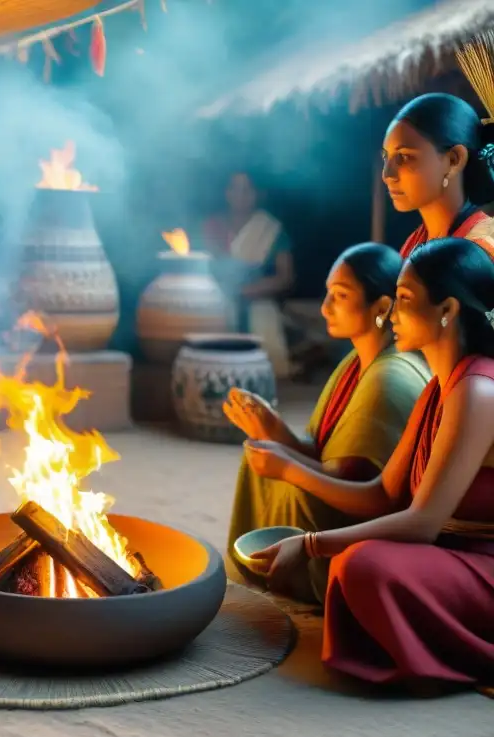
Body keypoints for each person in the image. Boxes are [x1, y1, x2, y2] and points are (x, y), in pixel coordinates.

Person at [247, 236, 494, 689]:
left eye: (403, 300)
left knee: (362, 565)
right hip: (450, 554)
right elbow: (383, 493)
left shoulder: (478, 389)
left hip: (483, 566)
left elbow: (422, 523)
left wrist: (311, 544)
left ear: (448, 310)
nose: (392, 315)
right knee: (354, 562)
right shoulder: (439, 386)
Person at [225, 243, 429, 602]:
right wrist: (271, 429)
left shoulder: (388, 377)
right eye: (328, 293)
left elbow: (359, 487)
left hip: (363, 524)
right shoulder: (356, 360)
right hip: (350, 495)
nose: (324, 307)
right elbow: (323, 454)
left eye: (340, 295)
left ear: (382, 307)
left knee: (278, 473)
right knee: (262, 454)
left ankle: (301, 571)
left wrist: (286, 466)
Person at [202, 171, 294, 376]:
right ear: (226, 193)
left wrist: (247, 290)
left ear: (257, 194)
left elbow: (285, 277)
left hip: (257, 298)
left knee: (265, 325)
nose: (240, 195)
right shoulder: (213, 226)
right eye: (234, 188)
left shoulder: (270, 228)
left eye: (247, 189)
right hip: (218, 299)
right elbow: (204, 268)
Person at [383, 93, 494, 258]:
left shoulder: (482, 250)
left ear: (453, 160)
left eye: (405, 157)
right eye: (386, 157)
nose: (387, 175)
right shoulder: (415, 243)